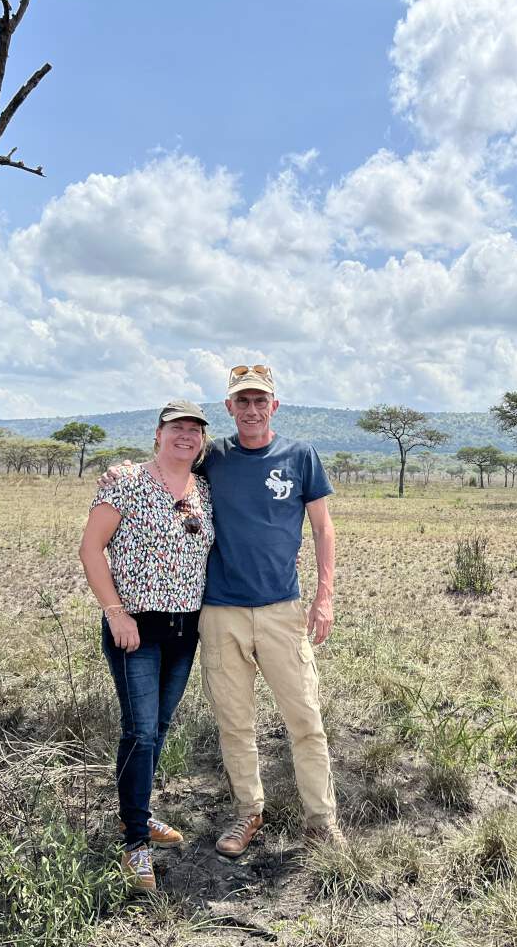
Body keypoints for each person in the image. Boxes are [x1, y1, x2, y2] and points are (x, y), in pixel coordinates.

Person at [103, 364, 340, 857]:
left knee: (305, 719)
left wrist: (325, 596)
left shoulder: (300, 457)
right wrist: (121, 469)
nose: (252, 409)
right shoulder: (216, 458)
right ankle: (247, 812)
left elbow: (322, 528)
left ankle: (321, 820)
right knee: (235, 721)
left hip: (281, 609)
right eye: (242, 401)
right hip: (218, 612)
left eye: (260, 401)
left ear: (274, 406)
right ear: (229, 408)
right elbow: (169, 464)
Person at [79, 400, 215, 892]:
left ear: (202, 440)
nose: (186, 435)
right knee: (140, 731)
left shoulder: (203, 489)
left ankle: (133, 814)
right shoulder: (126, 480)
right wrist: (116, 612)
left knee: (156, 728)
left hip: (185, 631)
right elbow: (90, 548)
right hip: (134, 627)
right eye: (177, 427)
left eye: (195, 429)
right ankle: (135, 844)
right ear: (158, 433)